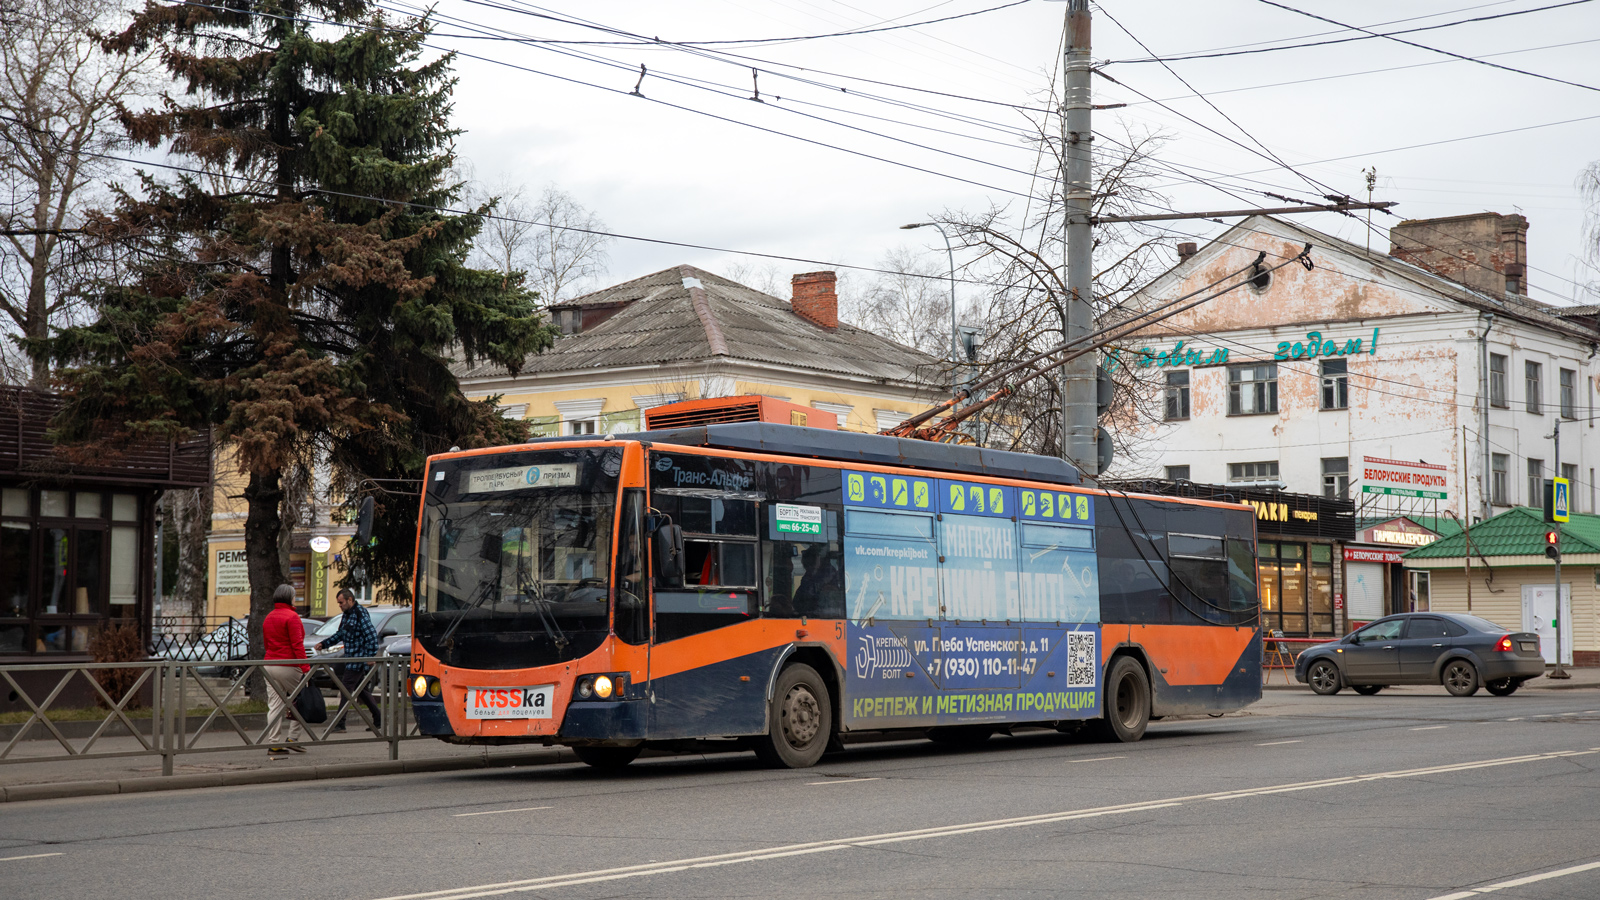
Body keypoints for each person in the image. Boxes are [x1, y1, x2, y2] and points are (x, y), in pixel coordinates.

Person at [317, 587, 382, 733]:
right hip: (351, 659)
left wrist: (370, 656)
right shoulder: (347, 615)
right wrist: (325, 644)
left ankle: (340, 723)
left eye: (341, 602)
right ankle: (379, 719)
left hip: (357, 661)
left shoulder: (360, 613)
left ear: (350, 600)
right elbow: (341, 634)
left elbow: (371, 635)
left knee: (346, 690)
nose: (339, 605)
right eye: (338, 603)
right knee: (362, 691)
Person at [263, 583, 310, 754]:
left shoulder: (269, 616)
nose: (294, 598)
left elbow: (267, 643)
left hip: (269, 665)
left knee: (275, 705)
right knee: (302, 700)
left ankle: (274, 743)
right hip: (288, 665)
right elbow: (297, 645)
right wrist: (306, 668)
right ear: (289, 597)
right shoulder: (292, 617)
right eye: (294, 595)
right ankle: (293, 738)